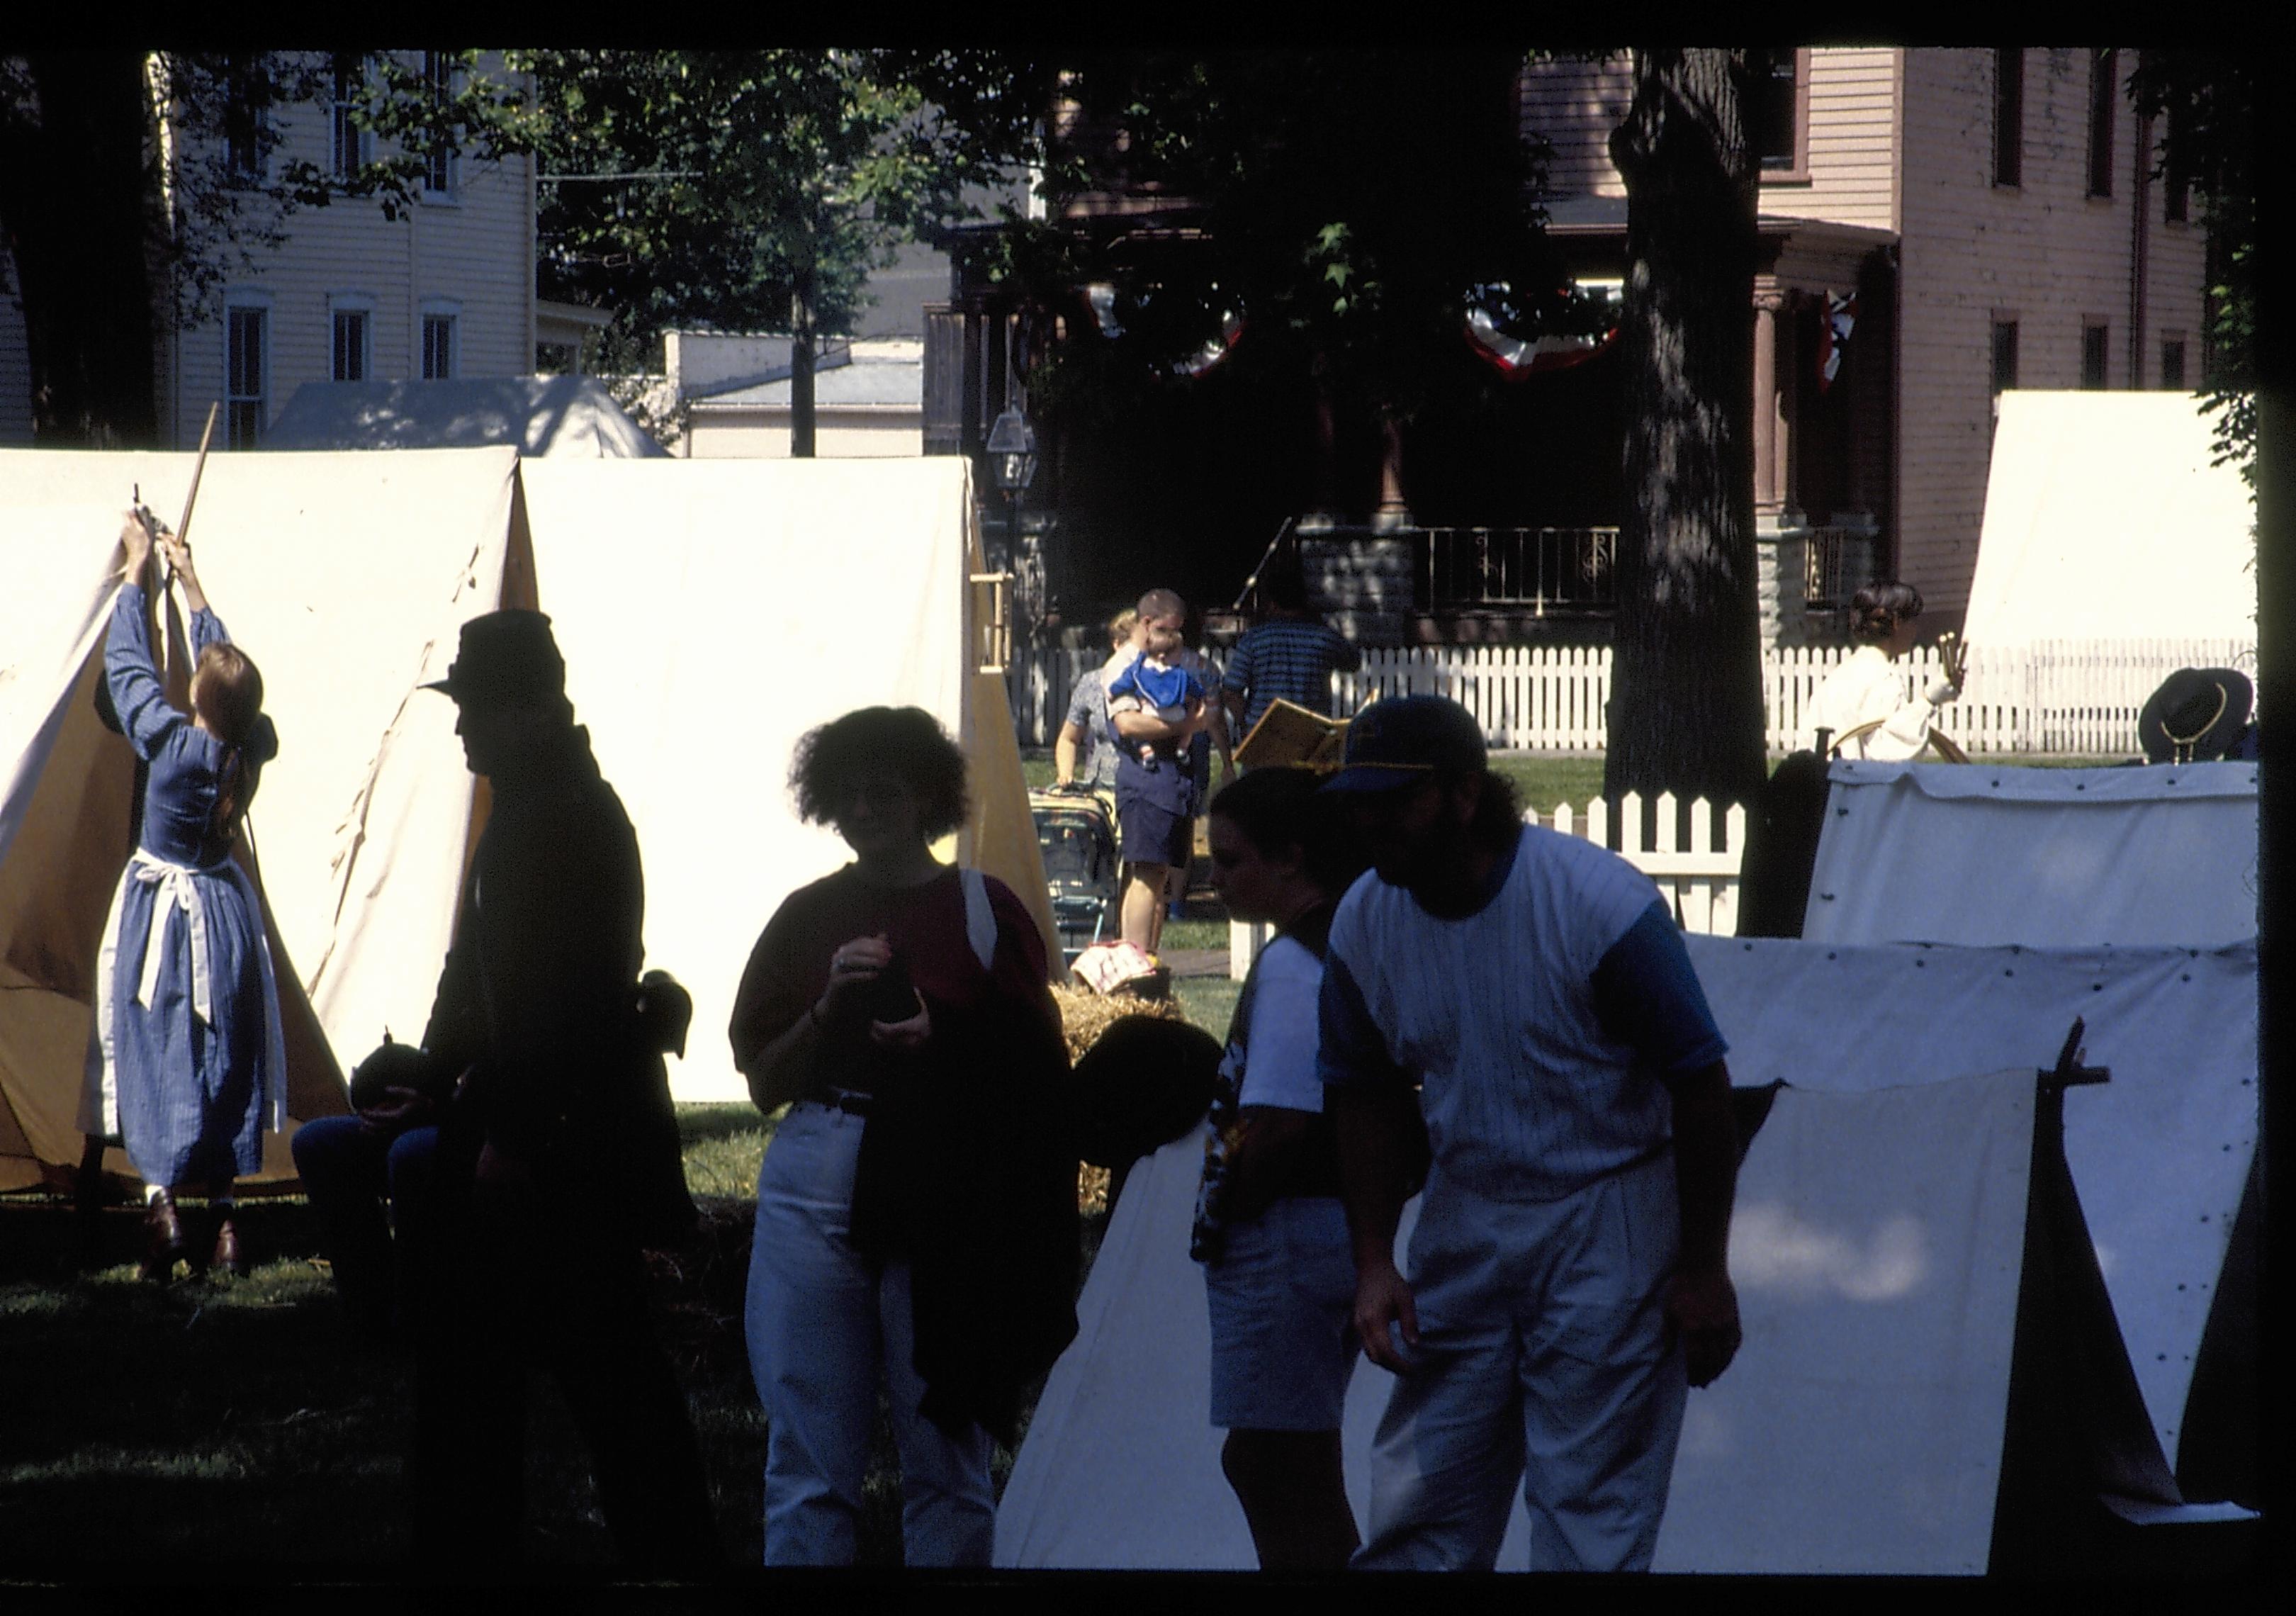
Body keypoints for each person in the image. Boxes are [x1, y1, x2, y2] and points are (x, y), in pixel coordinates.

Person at [1316, 695, 1743, 1573]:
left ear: (1465, 794)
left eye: (1393, 801)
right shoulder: (1365, 917)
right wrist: (1373, 1261)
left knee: (1592, 1511)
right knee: (1424, 1498)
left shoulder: (1594, 904)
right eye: (1357, 802)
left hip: (1609, 1212)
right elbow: (1360, 1092)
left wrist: (1702, 1269)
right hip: (1466, 1207)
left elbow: (1700, 1087)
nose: (1369, 823)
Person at [405, 609, 719, 1571]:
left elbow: (569, 1003)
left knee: (609, 1381)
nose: (462, 730)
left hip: (558, 1152)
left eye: (476, 710)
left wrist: (514, 1136)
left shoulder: (570, 816)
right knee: (511, 1385)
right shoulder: (533, 806)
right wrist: (420, 1083)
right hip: (527, 1137)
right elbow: (480, 974)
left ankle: (673, 1561)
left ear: (529, 711)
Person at [731, 706, 1078, 1567]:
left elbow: (1038, 1070)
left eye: (883, 789)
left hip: (943, 1187)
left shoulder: (982, 905)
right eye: (846, 793)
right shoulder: (805, 915)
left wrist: (944, 1040)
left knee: (946, 1449)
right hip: (818, 1172)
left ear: (928, 795)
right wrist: (826, 1010)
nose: (864, 806)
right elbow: (767, 1082)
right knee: (808, 1457)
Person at [91, 510, 285, 1280]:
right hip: (226, 912)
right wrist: (193, 581)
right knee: (223, 1057)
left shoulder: (172, 745)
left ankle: (162, 1208)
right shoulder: (250, 749)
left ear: (196, 694)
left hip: (165, 919)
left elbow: (130, 669)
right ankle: (227, 1223)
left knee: (154, 1048)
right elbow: (231, 674)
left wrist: (140, 572)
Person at [1191, 765, 1370, 1569]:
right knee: (1291, 1460)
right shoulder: (1346, 940)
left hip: (1285, 1234)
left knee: (1271, 1463)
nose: (1215, 879)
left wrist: (1232, 1211)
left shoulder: (1298, 964)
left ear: (1291, 857)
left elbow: (1283, 1121)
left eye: (1231, 862)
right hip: (1329, 1229)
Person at [1108, 588, 1227, 956]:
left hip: (1172, 779)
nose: (1175, 639)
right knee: (1144, 877)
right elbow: (1128, 723)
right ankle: (1135, 965)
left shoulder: (1172, 667)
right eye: (1169, 630)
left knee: (1157, 879)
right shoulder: (1125, 667)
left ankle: (1147, 961)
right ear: (1148, 624)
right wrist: (1187, 726)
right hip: (1146, 780)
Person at [1803, 579, 1960, 759]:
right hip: (1857, 783)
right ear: (1896, 623)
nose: (1917, 629)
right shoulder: (1884, 678)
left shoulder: (1840, 674)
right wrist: (1929, 700)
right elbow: (1890, 752)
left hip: (1823, 780)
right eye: (1913, 620)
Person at [1220, 559, 1362, 748]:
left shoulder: (1254, 640)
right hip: (1311, 737)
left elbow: (1231, 692)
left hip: (1264, 735)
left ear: (1272, 603)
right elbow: (1353, 663)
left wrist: (1245, 724)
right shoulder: (1324, 638)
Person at [1052, 606, 1138, 824]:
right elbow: (1068, 738)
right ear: (1116, 645)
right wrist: (1065, 775)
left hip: (1143, 790)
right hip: (1100, 791)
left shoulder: (1159, 684)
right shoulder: (1091, 683)